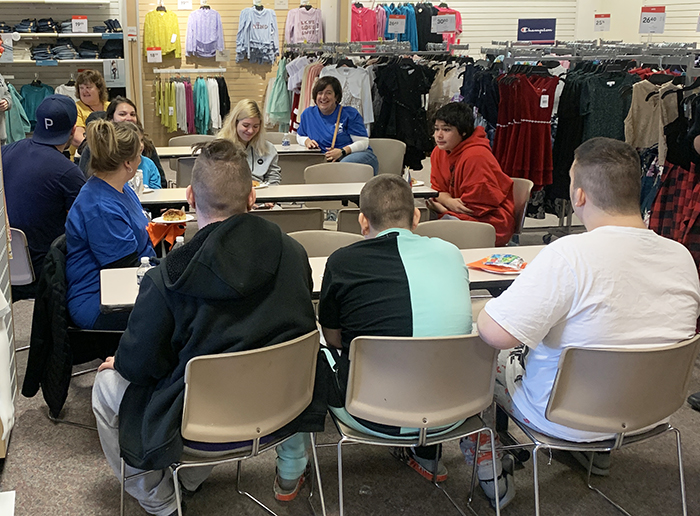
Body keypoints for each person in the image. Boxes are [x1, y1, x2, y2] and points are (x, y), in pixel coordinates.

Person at [91, 139, 318, 516]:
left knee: (107, 384)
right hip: (283, 408)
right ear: (252, 197)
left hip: (204, 423)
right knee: (214, 368)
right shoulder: (293, 253)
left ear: (190, 198)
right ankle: (189, 481)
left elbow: (141, 365)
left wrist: (122, 362)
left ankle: (161, 501)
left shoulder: (168, 277)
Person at [474, 137, 700, 505]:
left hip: (562, 417)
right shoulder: (681, 255)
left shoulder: (568, 254)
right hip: (653, 411)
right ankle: (596, 453)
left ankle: (491, 467)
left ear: (579, 195)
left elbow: (495, 333)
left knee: (483, 354)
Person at [316, 174, 472, 483]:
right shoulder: (451, 253)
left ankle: (292, 468)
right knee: (432, 344)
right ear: (417, 217)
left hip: (370, 414)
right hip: (452, 409)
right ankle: (428, 457)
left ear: (363, 221)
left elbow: (333, 339)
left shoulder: (342, 262)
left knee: (315, 352)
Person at [65, 120, 155, 330]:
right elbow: (124, 270)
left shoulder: (122, 189)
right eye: (139, 155)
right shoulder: (100, 207)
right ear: (128, 163)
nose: (141, 159)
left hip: (129, 281)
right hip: (99, 300)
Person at [2, 94, 86, 300]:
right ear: (73, 130)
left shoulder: (5, 152)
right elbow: (84, 224)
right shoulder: (69, 172)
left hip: (4, 262)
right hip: (46, 270)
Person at [427, 102, 516, 246]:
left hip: (489, 221)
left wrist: (441, 206)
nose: (439, 135)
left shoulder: (477, 156)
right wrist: (447, 201)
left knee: (429, 228)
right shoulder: (438, 152)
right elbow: (436, 190)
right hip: (455, 213)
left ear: (463, 132)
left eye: (447, 129)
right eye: (437, 129)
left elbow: (473, 207)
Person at [297, 76, 379, 175]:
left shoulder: (349, 114)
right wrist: (307, 141)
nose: (323, 97)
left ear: (336, 96)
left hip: (354, 156)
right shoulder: (308, 114)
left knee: (340, 167)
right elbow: (300, 135)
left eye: (328, 93)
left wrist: (342, 151)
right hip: (327, 161)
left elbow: (363, 142)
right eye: (320, 93)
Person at [78, 97, 167, 187]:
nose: (129, 118)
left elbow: (161, 182)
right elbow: (84, 181)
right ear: (111, 119)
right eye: (122, 114)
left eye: (132, 114)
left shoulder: (146, 146)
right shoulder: (96, 146)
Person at [218, 98, 281, 186]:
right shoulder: (220, 148)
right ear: (235, 123)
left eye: (256, 126)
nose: (250, 131)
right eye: (246, 125)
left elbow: (274, 180)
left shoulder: (268, 148)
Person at [69, 69, 111, 157]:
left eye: (88, 87)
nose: (84, 91)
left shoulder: (111, 107)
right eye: (81, 88)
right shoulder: (75, 108)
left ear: (99, 89)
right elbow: (77, 138)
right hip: (84, 158)